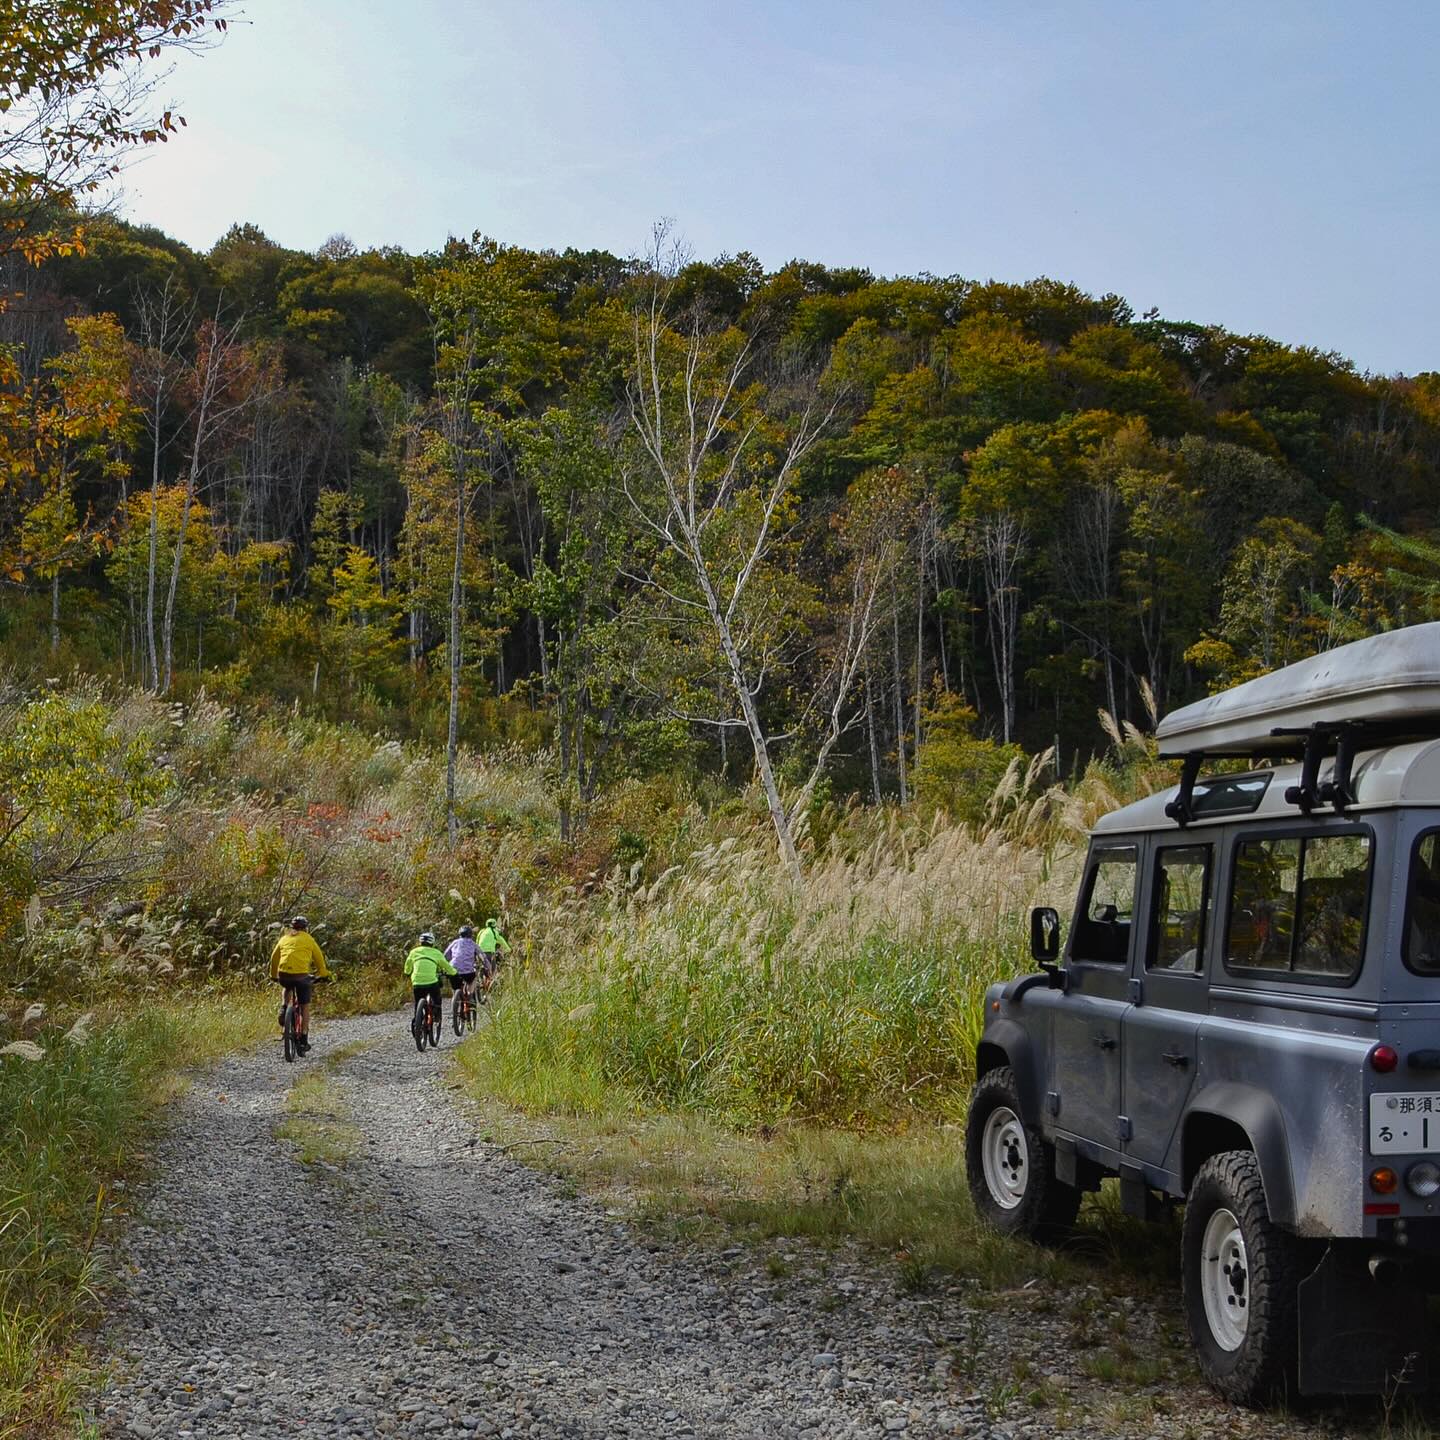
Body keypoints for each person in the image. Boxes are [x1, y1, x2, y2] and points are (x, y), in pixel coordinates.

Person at [269, 916, 330, 1055]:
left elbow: (274, 957)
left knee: (287, 987)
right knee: (304, 1007)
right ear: (306, 928)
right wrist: (323, 974)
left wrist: (273, 975)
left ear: (292, 927)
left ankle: (284, 1007)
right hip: (302, 977)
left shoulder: (284, 938)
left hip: (283, 974)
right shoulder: (309, 939)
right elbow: (319, 958)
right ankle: (303, 1038)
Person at [404, 932, 456, 1037]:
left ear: (420, 942)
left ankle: (417, 1021)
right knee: (437, 998)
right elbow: (447, 966)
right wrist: (454, 973)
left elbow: (407, 968)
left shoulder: (413, 952)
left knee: (418, 1001)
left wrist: (408, 972)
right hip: (431, 981)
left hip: (417, 982)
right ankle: (436, 1015)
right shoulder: (436, 953)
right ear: (432, 942)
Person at [445, 924, 481, 1005]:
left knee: (455, 986)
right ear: (470, 934)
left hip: (453, 970)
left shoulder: (454, 942)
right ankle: (470, 995)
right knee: (473, 979)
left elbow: (445, 955)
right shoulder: (473, 944)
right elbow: (483, 957)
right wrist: (488, 968)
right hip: (468, 972)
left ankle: (455, 998)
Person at [477, 916, 511, 987]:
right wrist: (509, 949)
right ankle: (490, 984)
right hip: (489, 953)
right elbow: (501, 941)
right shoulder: (494, 932)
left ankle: (480, 981)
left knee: (481, 966)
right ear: (494, 925)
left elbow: (477, 942)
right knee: (493, 969)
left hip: (479, 952)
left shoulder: (481, 931)